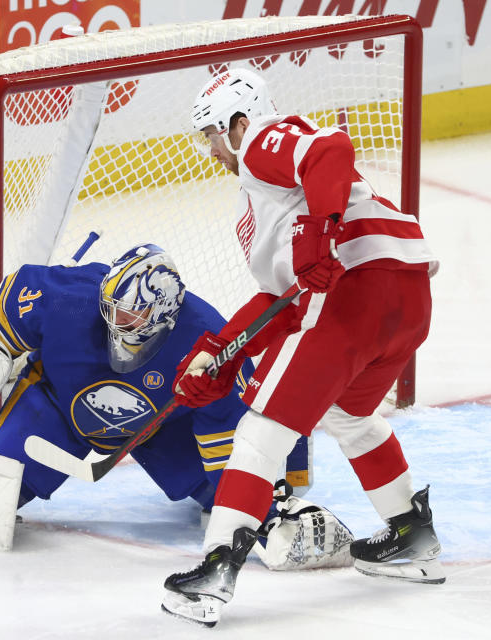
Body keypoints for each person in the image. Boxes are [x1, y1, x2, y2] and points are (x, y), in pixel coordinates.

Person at [161, 68, 443, 626]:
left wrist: (320, 228)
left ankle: (216, 568)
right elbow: (281, 298)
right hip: (404, 301)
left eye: (212, 134)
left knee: (261, 431)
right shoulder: (265, 204)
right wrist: (221, 351)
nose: (211, 150)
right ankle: (410, 534)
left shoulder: (264, 140)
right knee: (350, 416)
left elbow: (331, 149)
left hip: (353, 297)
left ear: (237, 123)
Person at [0, 242, 315, 551]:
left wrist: (246, 497)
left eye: (127, 315)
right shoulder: (67, 298)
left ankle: (284, 453)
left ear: (162, 315)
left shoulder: (204, 340)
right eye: (110, 309)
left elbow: (223, 421)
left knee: (230, 504)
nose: (113, 323)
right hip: (57, 407)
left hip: (160, 429)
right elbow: (4, 310)